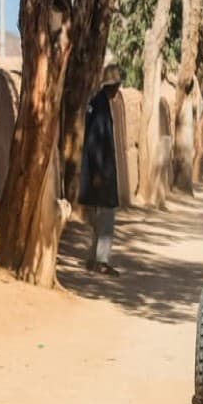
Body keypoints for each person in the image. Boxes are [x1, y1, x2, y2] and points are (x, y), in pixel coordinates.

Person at [80, 64, 123, 276]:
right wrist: (98, 172)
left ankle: (93, 259)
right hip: (101, 172)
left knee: (99, 218)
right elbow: (95, 141)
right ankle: (101, 261)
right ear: (113, 86)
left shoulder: (97, 103)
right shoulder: (100, 106)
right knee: (106, 217)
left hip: (98, 171)